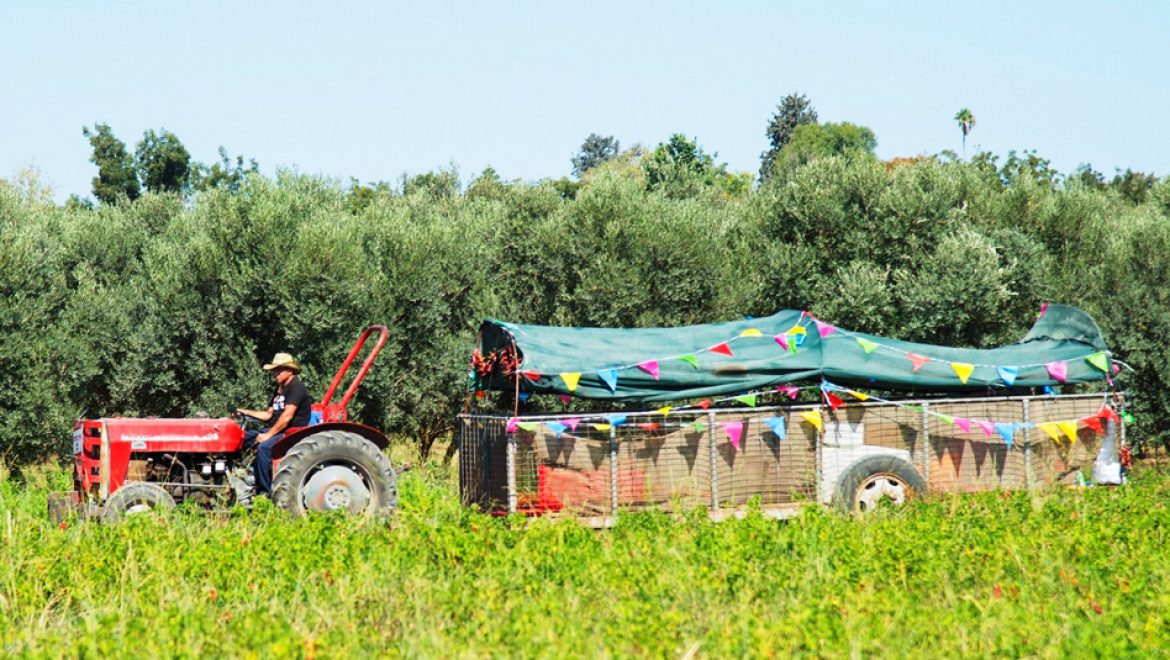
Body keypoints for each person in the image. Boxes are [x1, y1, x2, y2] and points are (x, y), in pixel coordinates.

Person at [235, 352, 315, 498]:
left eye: (280, 370)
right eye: (274, 370)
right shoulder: (280, 389)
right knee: (240, 437)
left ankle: (264, 493)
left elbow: (287, 417)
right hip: (277, 429)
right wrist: (245, 411)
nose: (275, 373)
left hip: (291, 432)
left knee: (264, 448)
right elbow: (268, 414)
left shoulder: (296, 387)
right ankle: (236, 474)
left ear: (290, 370)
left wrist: (268, 435)